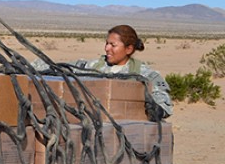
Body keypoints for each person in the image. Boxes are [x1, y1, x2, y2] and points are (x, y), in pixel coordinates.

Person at [32, 24, 173, 120]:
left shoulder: (144, 75)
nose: (107, 48)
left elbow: (164, 104)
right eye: (106, 43)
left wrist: (154, 110)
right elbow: (59, 68)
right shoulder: (92, 66)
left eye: (113, 45)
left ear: (129, 49)